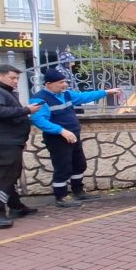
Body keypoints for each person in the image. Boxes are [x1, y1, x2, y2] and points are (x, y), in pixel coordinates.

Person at [30, 69, 120, 207]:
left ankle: (78, 191)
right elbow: (39, 120)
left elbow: (85, 96)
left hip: (73, 136)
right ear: (49, 84)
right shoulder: (40, 99)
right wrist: (61, 131)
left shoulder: (65, 94)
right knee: (63, 167)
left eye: (65, 81)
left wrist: (106, 92)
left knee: (79, 165)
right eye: (61, 82)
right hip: (58, 139)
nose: (65, 84)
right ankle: (61, 197)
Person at [0, 65, 43, 228]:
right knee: (7, 177)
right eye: (12, 78)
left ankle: (16, 207)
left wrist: (20, 140)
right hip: (1, 141)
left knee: (11, 174)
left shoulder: (2, 91)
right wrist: (26, 110)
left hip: (9, 141)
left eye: (17, 78)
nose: (16, 81)